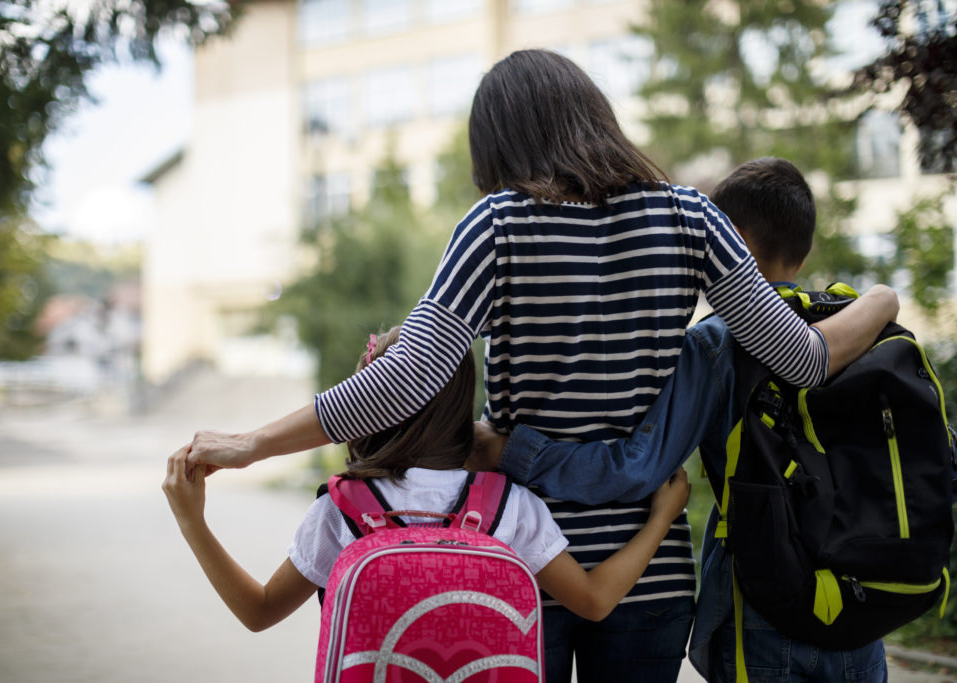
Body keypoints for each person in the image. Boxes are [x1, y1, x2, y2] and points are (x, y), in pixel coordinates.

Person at [185, 51, 897, 682]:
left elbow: (405, 378)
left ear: (500, 143)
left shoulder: (497, 224)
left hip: (519, 559)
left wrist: (250, 444)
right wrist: (881, 300)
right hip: (649, 567)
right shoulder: (690, 218)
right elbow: (804, 360)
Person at [470, 158, 893, 682]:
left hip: (767, 603)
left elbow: (635, 467)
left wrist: (508, 450)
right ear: (801, 256)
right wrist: (883, 298)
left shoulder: (716, 345)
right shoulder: (859, 327)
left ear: (729, 241)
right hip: (864, 611)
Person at [163, 327, 691, 643]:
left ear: (364, 407)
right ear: (463, 407)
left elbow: (258, 612)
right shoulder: (508, 506)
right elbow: (595, 601)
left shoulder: (341, 510)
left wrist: (192, 521)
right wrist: (661, 520)